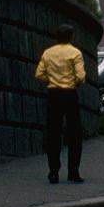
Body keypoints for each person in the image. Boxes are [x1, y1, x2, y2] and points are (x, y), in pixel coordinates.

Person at [34, 24, 86, 184]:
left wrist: (51, 81)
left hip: (53, 94)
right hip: (70, 94)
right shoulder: (75, 53)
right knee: (75, 134)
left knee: (53, 133)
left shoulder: (48, 53)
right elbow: (81, 76)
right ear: (71, 37)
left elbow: (39, 74)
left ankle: (53, 172)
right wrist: (72, 83)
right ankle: (73, 172)